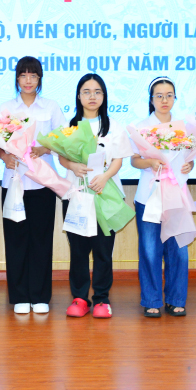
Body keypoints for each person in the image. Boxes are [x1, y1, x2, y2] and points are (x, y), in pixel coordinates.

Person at [0, 57, 67, 315]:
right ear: (17, 78)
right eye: (23, 75)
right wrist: (5, 157)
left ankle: (40, 296)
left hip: (42, 183)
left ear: (40, 79)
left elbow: (63, 139)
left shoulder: (51, 107)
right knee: (15, 240)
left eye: (33, 76)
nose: (28, 80)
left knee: (41, 240)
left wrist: (44, 148)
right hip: (14, 181)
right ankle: (19, 296)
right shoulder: (6, 108)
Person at [59, 74, 133, 319]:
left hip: (105, 193)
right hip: (77, 194)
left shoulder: (114, 126)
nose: (92, 96)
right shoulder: (69, 127)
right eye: (87, 91)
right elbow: (61, 157)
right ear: (78, 96)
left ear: (104, 96)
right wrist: (72, 165)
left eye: (97, 91)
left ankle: (102, 299)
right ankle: (80, 298)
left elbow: (118, 160)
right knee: (78, 250)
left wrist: (104, 177)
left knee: (103, 250)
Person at [130, 76, 193, 318]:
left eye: (169, 95)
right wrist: (150, 162)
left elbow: (189, 158)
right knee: (150, 250)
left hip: (176, 195)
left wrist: (190, 164)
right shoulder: (141, 127)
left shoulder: (183, 127)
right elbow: (134, 160)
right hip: (149, 195)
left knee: (178, 249)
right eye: (159, 96)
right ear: (151, 99)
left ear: (175, 98)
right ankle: (152, 300)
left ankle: (176, 299)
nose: (164, 100)